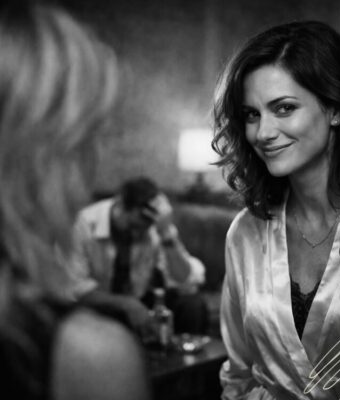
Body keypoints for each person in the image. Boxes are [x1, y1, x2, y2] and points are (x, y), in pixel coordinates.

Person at [0, 2, 151, 400]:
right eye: (92, 134)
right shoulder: (89, 355)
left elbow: (183, 276)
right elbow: (74, 285)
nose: (98, 159)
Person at [212, 21, 340, 399]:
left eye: (284, 108)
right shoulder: (246, 231)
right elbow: (238, 372)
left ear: (335, 109)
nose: (263, 133)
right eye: (251, 114)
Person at [72, 177, 209, 334]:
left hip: (141, 299)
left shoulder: (154, 225)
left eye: (143, 230)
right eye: (133, 227)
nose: (137, 234)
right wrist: (126, 304)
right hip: (101, 303)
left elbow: (185, 280)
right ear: (120, 204)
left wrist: (166, 234)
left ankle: (187, 348)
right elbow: (75, 288)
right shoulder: (84, 223)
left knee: (192, 304)